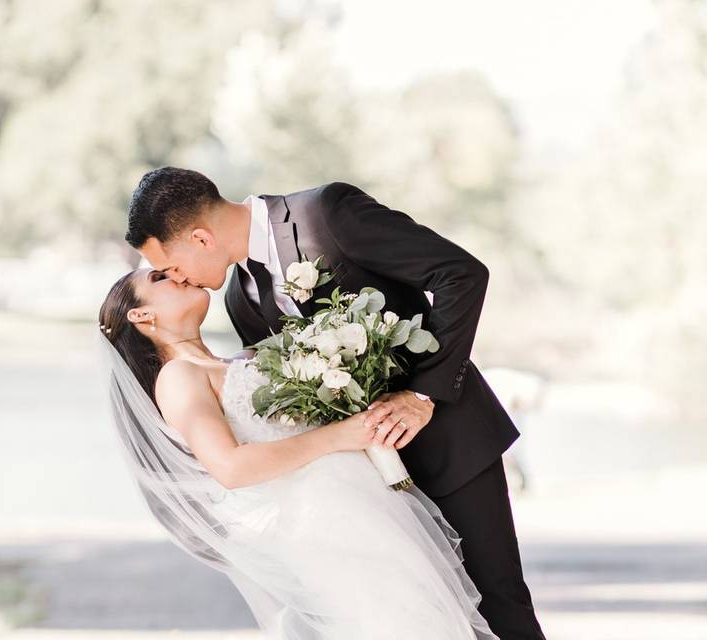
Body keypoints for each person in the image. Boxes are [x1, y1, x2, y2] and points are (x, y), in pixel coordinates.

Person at [125, 167, 546, 639]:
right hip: (368, 498)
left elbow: (460, 274)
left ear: (200, 238)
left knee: (499, 606)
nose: (176, 277)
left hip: (449, 441)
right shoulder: (240, 301)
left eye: (171, 264)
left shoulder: (326, 215)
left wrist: (422, 394)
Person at [97, 266, 499, 639]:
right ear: (141, 316)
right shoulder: (179, 377)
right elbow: (231, 468)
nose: (180, 274)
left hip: (363, 507)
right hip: (321, 525)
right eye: (161, 277)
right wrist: (343, 435)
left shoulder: (240, 360)